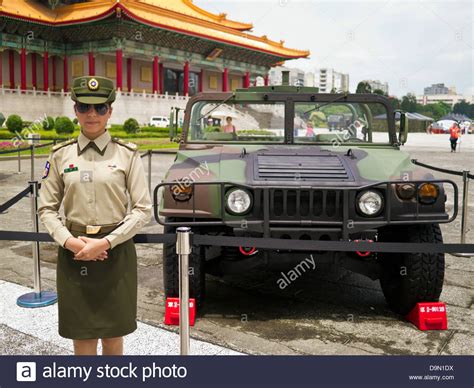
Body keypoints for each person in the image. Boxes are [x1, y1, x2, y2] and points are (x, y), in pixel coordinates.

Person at [38, 76, 152, 356]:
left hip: (115, 254)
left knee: (114, 337)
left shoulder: (127, 155)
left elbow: (142, 209)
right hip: (74, 254)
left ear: (110, 111)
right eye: (85, 107)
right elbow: (46, 209)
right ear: (75, 109)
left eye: (100, 108)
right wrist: (72, 243)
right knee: (82, 337)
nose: (92, 114)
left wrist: (105, 243)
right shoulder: (59, 155)